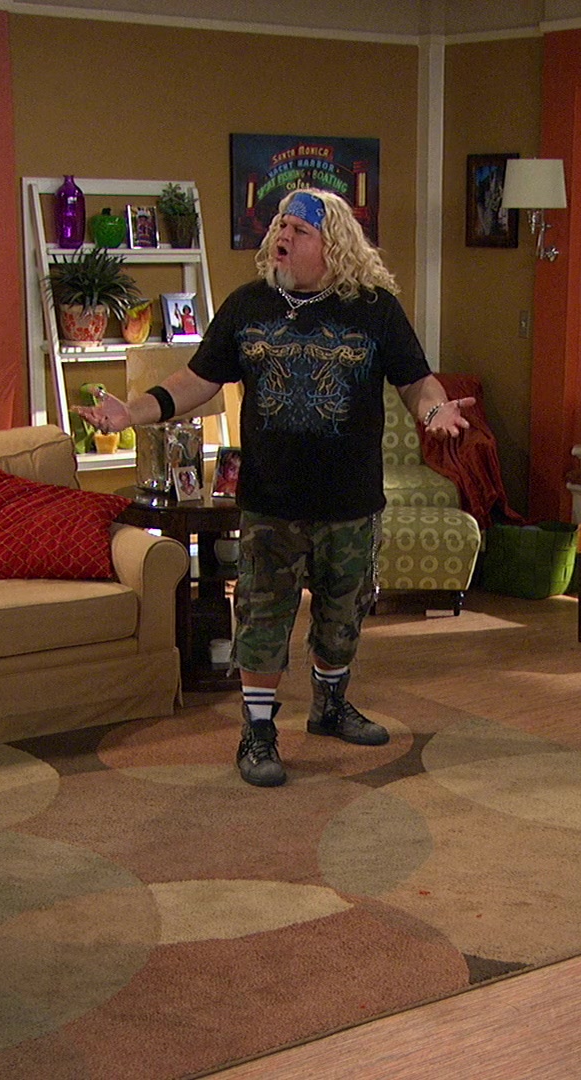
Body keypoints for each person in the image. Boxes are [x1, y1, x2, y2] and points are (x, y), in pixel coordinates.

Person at [77, 188, 473, 788]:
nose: (282, 235)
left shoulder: (374, 310)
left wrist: (435, 411)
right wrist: (132, 413)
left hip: (350, 503)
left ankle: (330, 705)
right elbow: (197, 380)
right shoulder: (248, 305)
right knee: (261, 618)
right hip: (270, 502)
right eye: (280, 225)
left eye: (299, 229)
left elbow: (416, 382)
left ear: (332, 244)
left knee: (343, 617)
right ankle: (258, 732)